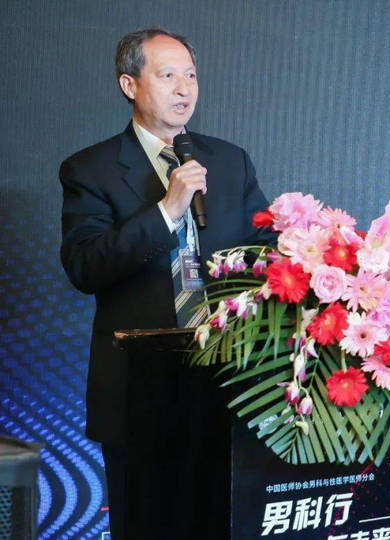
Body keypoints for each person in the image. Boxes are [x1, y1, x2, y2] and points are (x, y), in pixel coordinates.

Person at [59, 27, 274, 539]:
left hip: (231, 385)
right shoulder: (90, 169)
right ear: (129, 84)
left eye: (191, 76)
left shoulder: (229, 160)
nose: (184, 89)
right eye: (168, 75)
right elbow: (85, 267)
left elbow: (266, 248)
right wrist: (166, 211)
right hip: (140, 393)